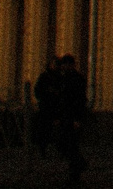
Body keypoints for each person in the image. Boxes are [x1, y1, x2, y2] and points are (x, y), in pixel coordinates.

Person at [42, 54, 89, 185]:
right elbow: (60, 99)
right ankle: (78, 165)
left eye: (66, 64)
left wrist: (77, 119)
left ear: (71, 65)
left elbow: (79, 100)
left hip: (71, 117)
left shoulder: (77, 79)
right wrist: (57, 117)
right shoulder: (63, 79)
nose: (63, 67)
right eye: (63, 65)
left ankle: (75, 172)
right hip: (64, 116)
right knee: (63, 143)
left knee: (69, 144)